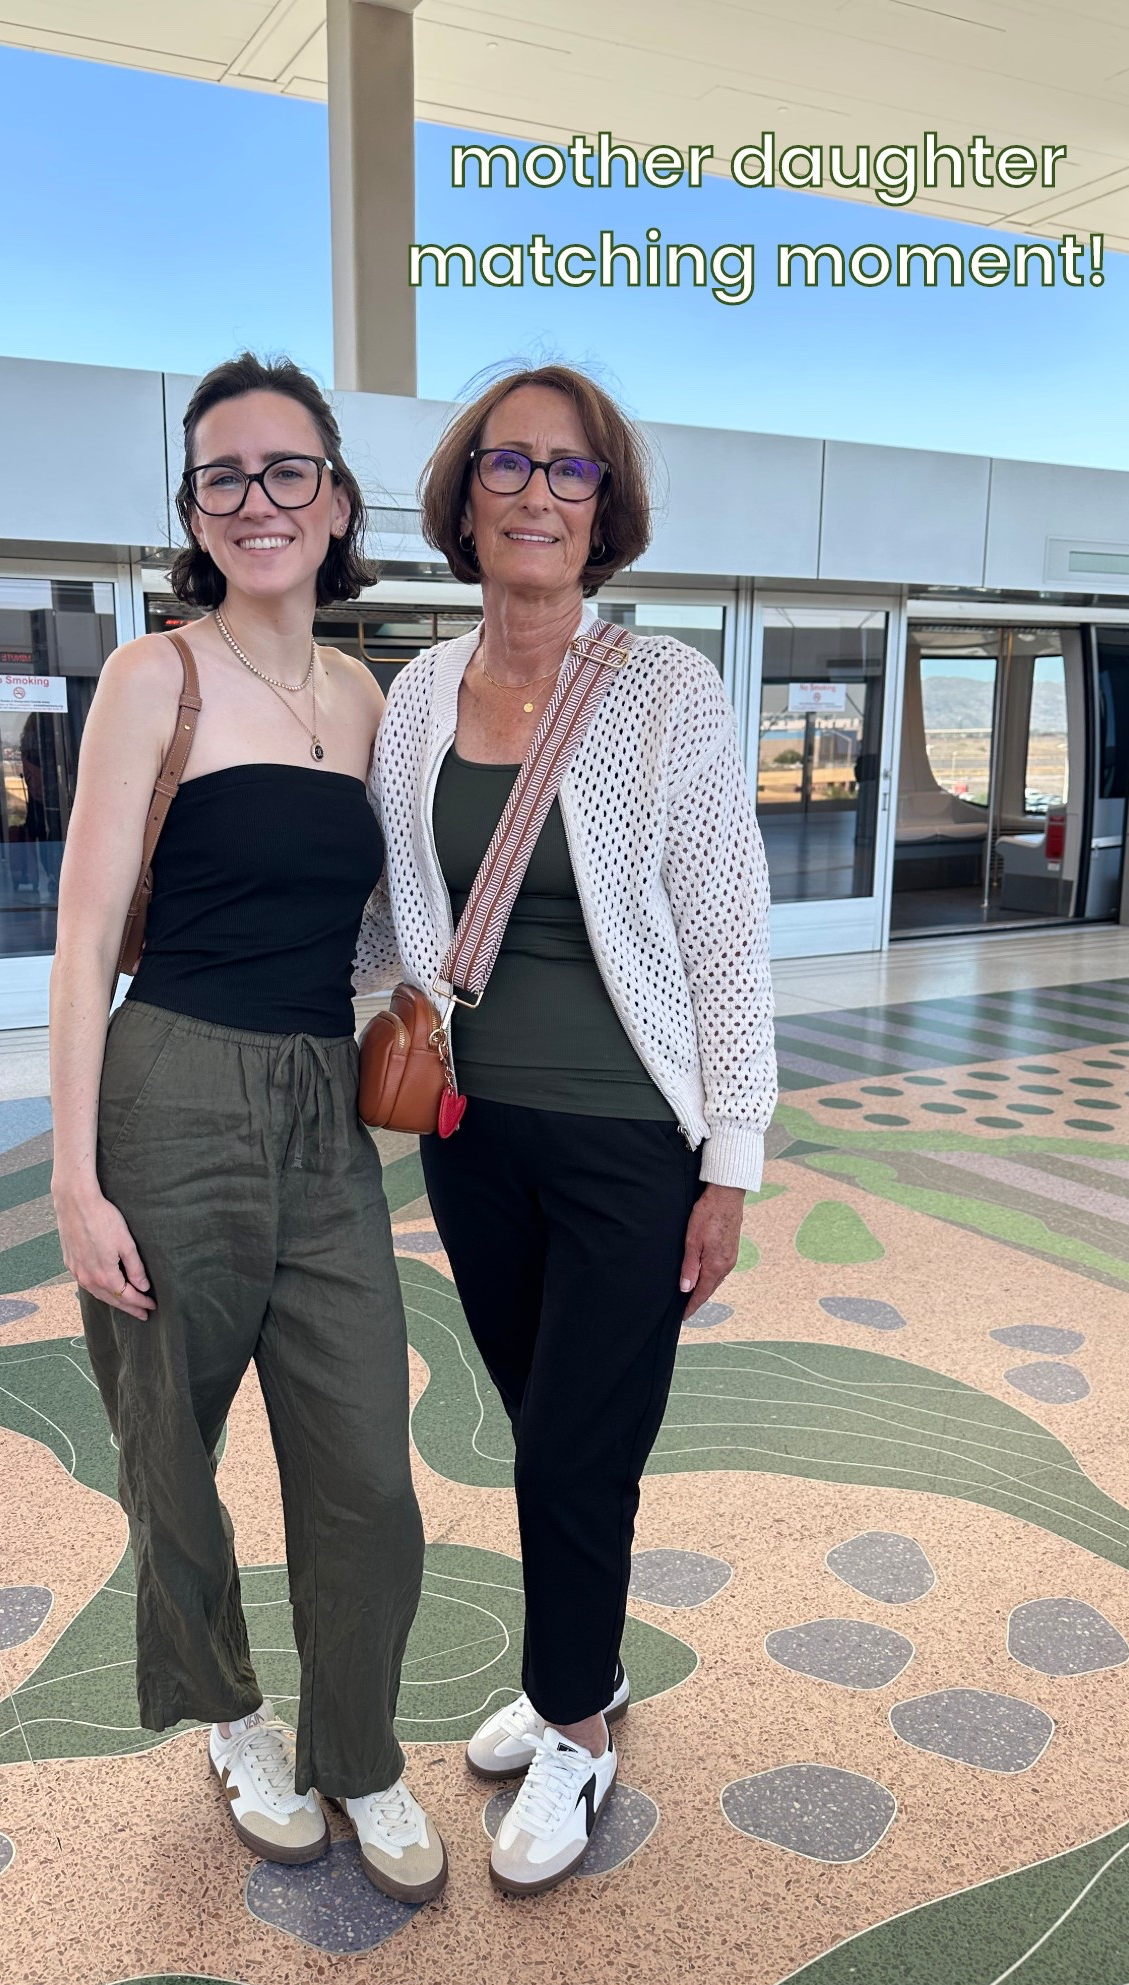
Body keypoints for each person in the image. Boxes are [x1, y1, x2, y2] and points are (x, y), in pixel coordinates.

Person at [369, 364, 775, 1896]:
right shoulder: (414, 697)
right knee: (543, 1424)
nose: (538, 492)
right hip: (472, 1136)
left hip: (624, 1137)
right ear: (465, 496)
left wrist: (728, 1160)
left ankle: (583, 1724)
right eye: (508, 463)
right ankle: (571, 1676)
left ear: (608, 509)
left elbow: (727, 935)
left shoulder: (663, 687)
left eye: (573, 471)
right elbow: (394, 909)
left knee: (581, 1450)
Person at [49, 352, 445, 1905]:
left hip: (319, 1103)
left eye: (289, 472)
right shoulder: (160, 678)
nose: (259, 500)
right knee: (172, 1449)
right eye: (225, 476)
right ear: (194, 513)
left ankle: (362, 1749)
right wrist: (76, 1180)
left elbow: (388, 924)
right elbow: (86, 945)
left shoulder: (363, 697)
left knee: (368, 1468)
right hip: (172, 1087)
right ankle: (230, 1716)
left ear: (337, 503)